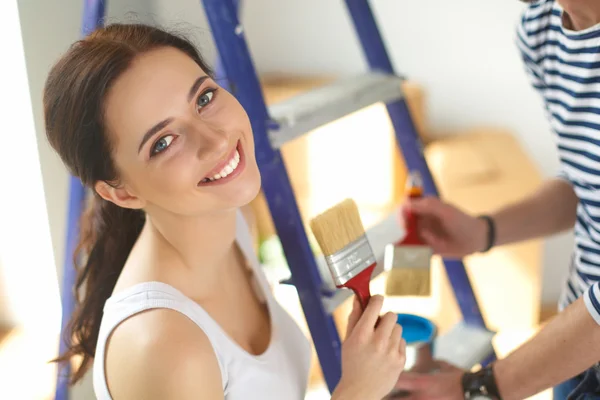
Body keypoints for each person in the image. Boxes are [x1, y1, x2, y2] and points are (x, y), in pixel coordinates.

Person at [45, 23, 407, 400]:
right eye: (163, 142)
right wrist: (358, 392)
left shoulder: (233, 221)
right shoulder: (164, 348)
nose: (216, 140)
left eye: (203, 98)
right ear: (121, 193)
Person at [394, 0, 600, 399]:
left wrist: (481, 388)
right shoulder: (542, 32)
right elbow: (586, 183)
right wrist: (484, 231)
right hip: (575, 356)